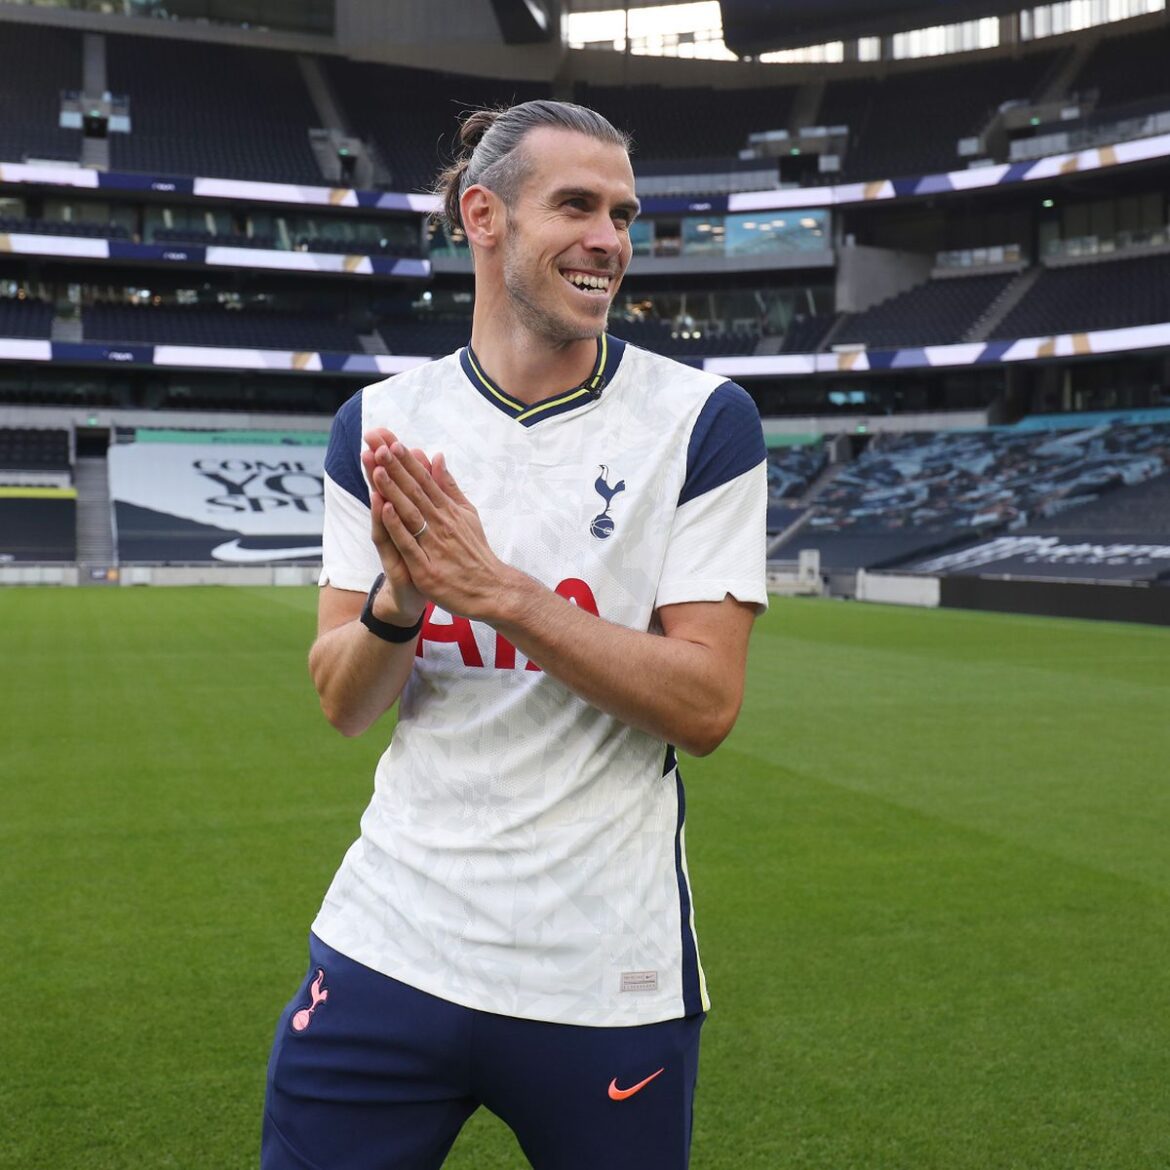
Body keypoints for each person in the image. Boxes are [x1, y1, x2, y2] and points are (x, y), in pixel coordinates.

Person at [262, 99, 767, 1170]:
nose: (610, 241)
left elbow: (706, 707)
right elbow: (344, 704)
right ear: (482, 216)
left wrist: (502, 594)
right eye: (576, 205)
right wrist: (400, 601)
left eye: (623, 214)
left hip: (602, 975)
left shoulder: (702, 421)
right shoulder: (382, 425)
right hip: (387, 945)